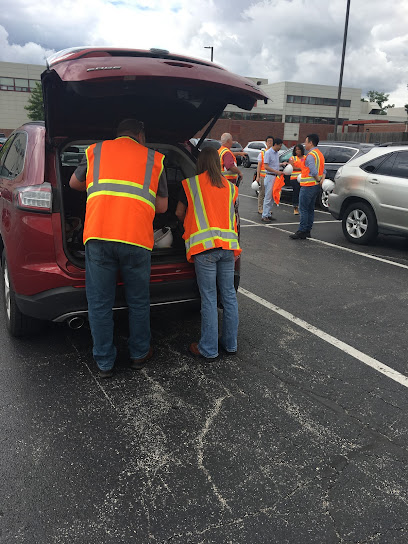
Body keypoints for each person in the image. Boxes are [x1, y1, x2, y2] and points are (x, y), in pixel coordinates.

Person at [69, 119, 168, 378]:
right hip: (136, 239)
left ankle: (104, 363)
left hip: (99, 235)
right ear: (140, 134)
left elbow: (73, 184)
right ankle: (138, 354)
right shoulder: (155, 159)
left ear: (118, 134)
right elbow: (162, 208)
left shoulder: (95, 151)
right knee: (138, 301)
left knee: (100, 303)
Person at [175, 147, 241, 359]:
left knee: (210, 298)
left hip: (205, 250)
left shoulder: (190, 184)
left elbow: (178, 213)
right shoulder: (230, 188)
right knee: (229, 296)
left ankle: (208, 349)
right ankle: (230, 345)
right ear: (218, 163)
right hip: (228, 249)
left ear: (200, 162)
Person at [289, 134, 325, 240]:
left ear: (311, 142)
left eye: (306, 142)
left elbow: (313, 170)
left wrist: (318, 179)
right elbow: (323, 170)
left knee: (303, 209)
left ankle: (302, 230)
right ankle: (307, 230)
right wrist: (320, 180)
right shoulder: (319, 154)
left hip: (308, 185)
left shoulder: (310, 155)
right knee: (310, 209)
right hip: (315, 186)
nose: (304, 144)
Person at [261, 137, 285, 223]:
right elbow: (266, 166)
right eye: (280, 145)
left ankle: (268, 214)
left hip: (274, 176)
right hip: (270, 176)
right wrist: (276, 171)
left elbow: (274, 164)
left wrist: (281, 164)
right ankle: (264, 215)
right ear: (275, 144)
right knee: (268, 196)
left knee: (272, 196)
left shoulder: (275, 153)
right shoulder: (268, 153)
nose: (280, 147)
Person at [256, 135, 274, 214]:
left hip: (271, 176)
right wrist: (258, 176)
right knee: (262, 193)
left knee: (269, 194)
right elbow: (259, 165)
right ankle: (260, 208)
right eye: (268, 141)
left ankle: (267, 209)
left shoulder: (274, 153)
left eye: (271, 141)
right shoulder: (262, 153)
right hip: (263, 176)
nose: (270, 142)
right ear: (266, 143)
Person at [288, 144, 306, 215]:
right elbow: (292, 167)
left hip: (303, 178)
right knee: (296, 192)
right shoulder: (292, 158)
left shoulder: (305, 157)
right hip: (294, 178)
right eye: (296, 150)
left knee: (303, 193)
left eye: (299, 149)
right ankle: (295, 207)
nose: (297, 151)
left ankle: (302, 207)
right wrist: (302, 169)